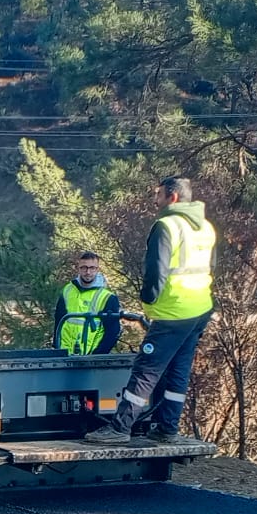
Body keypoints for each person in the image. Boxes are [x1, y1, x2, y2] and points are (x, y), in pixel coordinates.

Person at [87, 177, 216, 446]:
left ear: (173, 197)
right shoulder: (205, 226)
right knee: (178, 370)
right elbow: (209, 265)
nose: (155, 200)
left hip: (173, 311)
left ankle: (120, 428)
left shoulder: (166, 225)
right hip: (200, 308)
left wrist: (148, 301)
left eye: (158, 195)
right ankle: (167, 428)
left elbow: (156, 269)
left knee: (147, 369)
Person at [52, 250, 122, 355]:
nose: (88, 272)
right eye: (84, 267)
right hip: (65, 355)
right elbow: (58, 321)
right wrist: (56, 348)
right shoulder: (68, 290)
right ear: (78, 268)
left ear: (97, 269)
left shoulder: (108, 297)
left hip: (91, 357)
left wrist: (97, 356)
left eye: (92, 268)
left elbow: (112, 332)